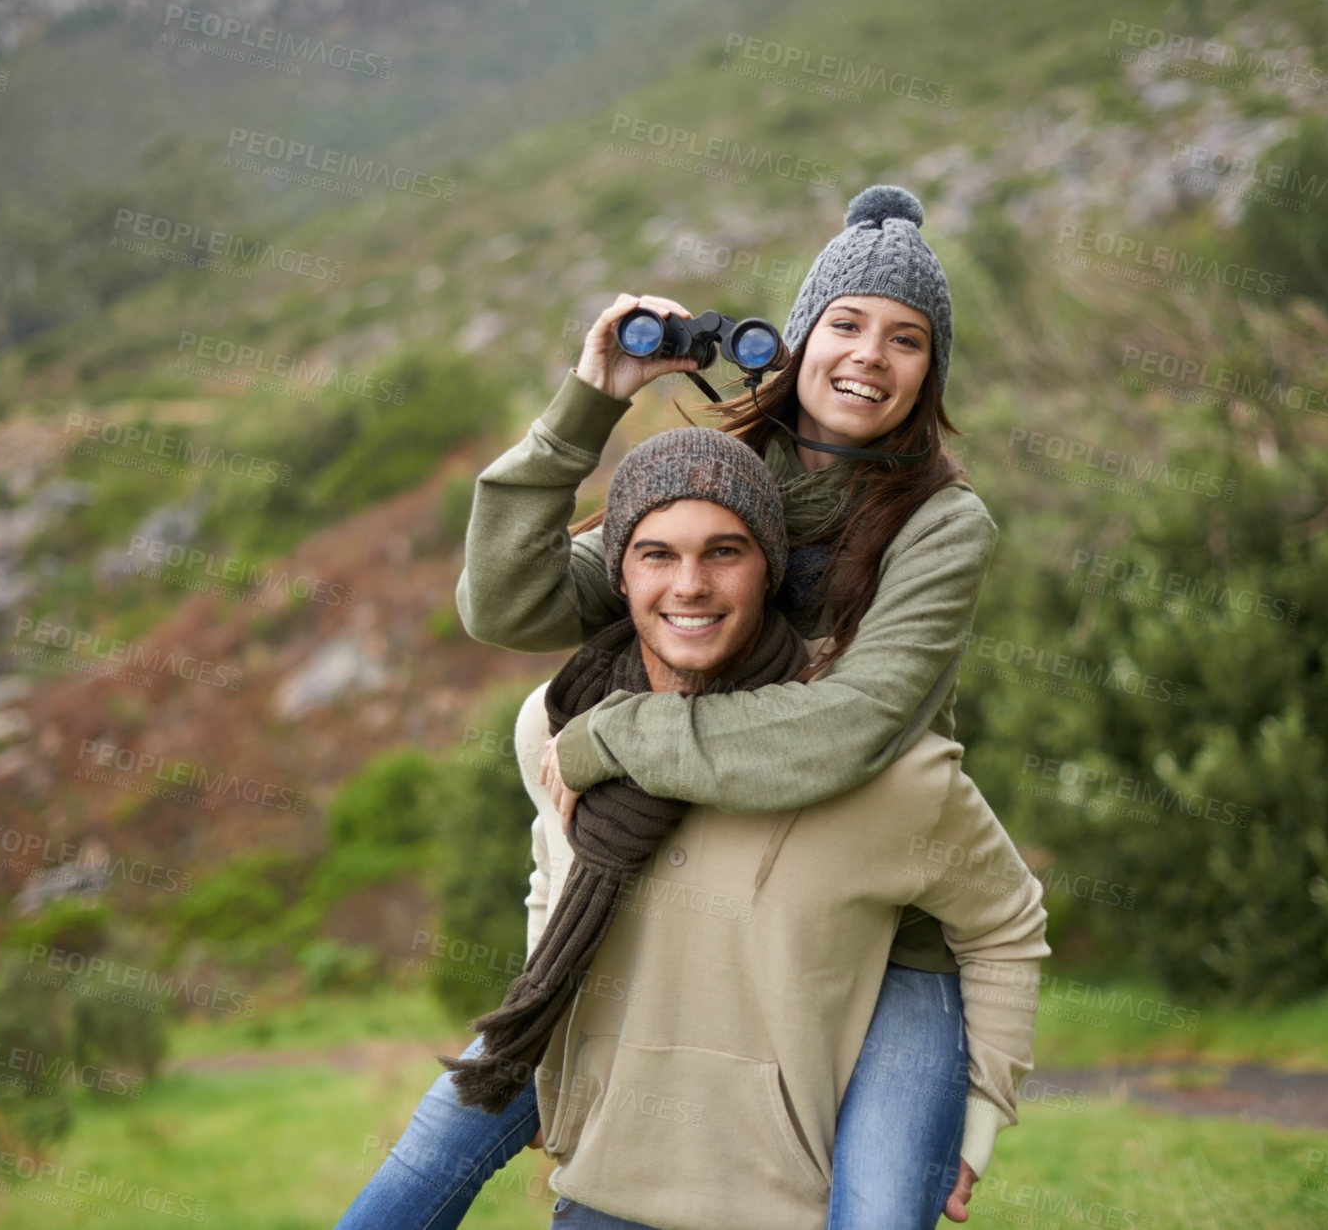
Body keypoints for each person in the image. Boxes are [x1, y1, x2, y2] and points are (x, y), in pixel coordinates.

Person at [335, 184, 1022, 1228]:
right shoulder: (722, 480)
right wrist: (588, 403)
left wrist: (611, 735)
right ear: (796, 338)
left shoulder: (942, 522)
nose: (870, 357)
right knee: (422, 1166)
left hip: (878, 918)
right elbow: (509, 603)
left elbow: (849, 731)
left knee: (878, 1211)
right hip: (664, 860)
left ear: (932, 372)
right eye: (845, 324)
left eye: (907, 340)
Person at [515, 427, 1046, 1229]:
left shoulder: (892, 778)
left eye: (724, 552)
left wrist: (976, 1125)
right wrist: (555, 1073)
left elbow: (1006, 920)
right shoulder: (561, 734)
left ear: (771, 571)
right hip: (602, 1193)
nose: (689, 584)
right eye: (657, 554)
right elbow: (549, 884)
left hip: (786, 1204)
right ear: (618, 575)